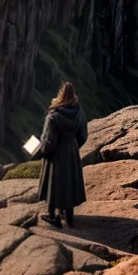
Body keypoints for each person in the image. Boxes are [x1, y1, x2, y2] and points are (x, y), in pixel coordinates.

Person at [35, 81, 88, 228]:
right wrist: (74, 146)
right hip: (71, 150)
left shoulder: (53, 116)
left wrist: (40, 153)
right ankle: (69, 217)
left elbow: (48, 141)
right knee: (69, 182)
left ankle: (53, 216)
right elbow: (83, 133)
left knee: (54, 183)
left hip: (57, 153)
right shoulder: (78, 111)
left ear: (60, 95)